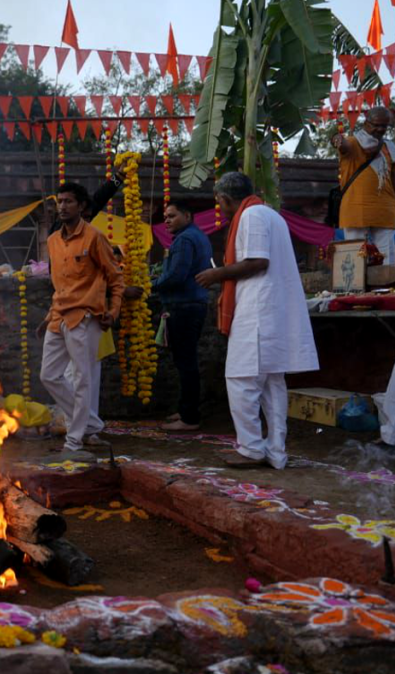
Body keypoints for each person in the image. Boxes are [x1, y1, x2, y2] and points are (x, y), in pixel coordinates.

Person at [195, 172, 318, 470]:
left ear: (225, 199)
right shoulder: (270, 214)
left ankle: (251, 448)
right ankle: (276, 451)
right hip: (271, 310)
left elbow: (258, 261)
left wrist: (217, 274)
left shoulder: (251, 216)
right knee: (272, 383)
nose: (220, 208)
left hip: (258, 310)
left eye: (219, 202)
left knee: (241, 379)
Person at [39, 182, 124, 456]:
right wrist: (47, 316)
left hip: (86, 317)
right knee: (49, 376)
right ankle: (91, 423)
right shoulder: (52, 241)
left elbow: (116, 278)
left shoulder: (94, 237)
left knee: (82, 380)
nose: (62, 206)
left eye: (68, 202)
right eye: (59, 201)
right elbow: (58, 284)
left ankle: (74, 442)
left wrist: (113, 311)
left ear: (82, 206)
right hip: (58, 316)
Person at [152, 200, 213, 431]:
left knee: (186, 362)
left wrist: (151, 285)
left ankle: (189, 417)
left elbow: (176, 276)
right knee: (185, 361)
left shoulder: (185, 239)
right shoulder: (196, 236)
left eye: (172, 215)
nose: (167, 220)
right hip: (192, 305)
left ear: (187, 215)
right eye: (165, 216)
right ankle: (185, 410)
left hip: (185, 307)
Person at [331, 106, 395, 266]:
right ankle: (356, 290)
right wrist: (336, 139)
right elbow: (343, 145)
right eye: (376, 124)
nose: (380, 129)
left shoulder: (390, 147)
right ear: (366, 123)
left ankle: (386, 289)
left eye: (384, 125)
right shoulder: (353, 142)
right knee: (355, 257)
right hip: (356, 208)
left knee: (387, 256)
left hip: (384, 209)